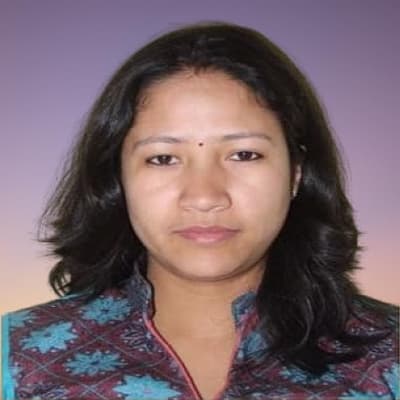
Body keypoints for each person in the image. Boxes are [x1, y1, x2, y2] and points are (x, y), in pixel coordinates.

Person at [2, 22, 398, 400]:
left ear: (296, 174)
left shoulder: (389, 355)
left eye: (244, 154)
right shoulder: (16, 357)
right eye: (163, 158)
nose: (205, 196)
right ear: (118, 178)